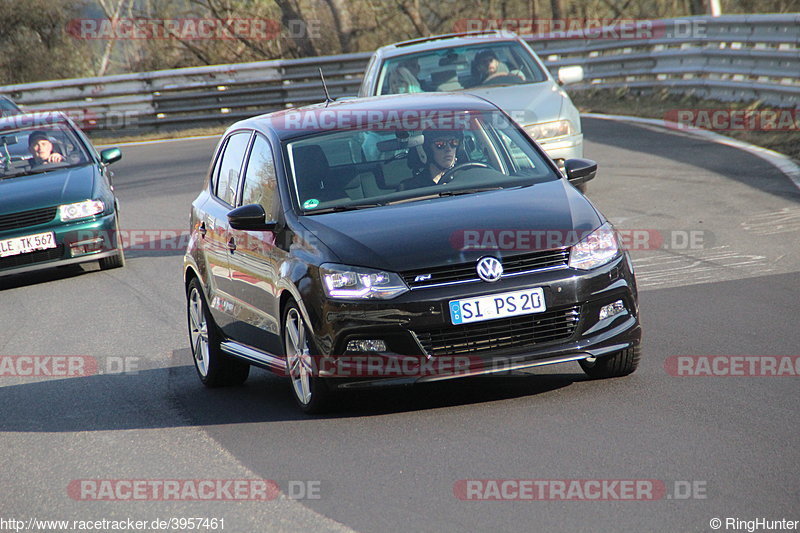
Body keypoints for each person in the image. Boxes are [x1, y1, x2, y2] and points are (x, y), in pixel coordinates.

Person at [397, 129, 462, 190]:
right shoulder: (410, 188)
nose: (449, 149)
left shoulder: (467, 178)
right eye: (440, 144)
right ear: (427, 150)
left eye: (454, 142)